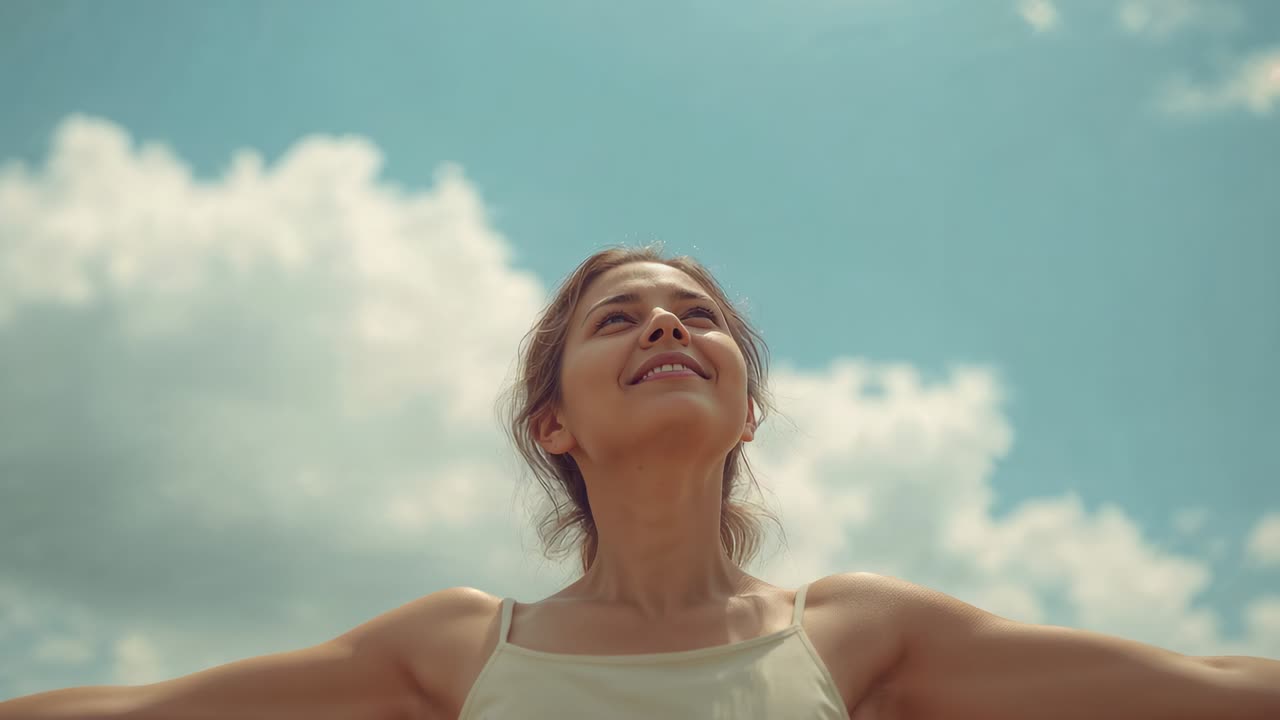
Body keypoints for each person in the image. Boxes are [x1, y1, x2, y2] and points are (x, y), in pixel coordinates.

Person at [2, 244, 1278, 719]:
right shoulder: (454, 649)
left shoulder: (862, 634)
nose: (668, 328)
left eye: (696, 317)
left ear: (744, 408)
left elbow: (1210, 689)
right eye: (620, 319)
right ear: (552, 423)